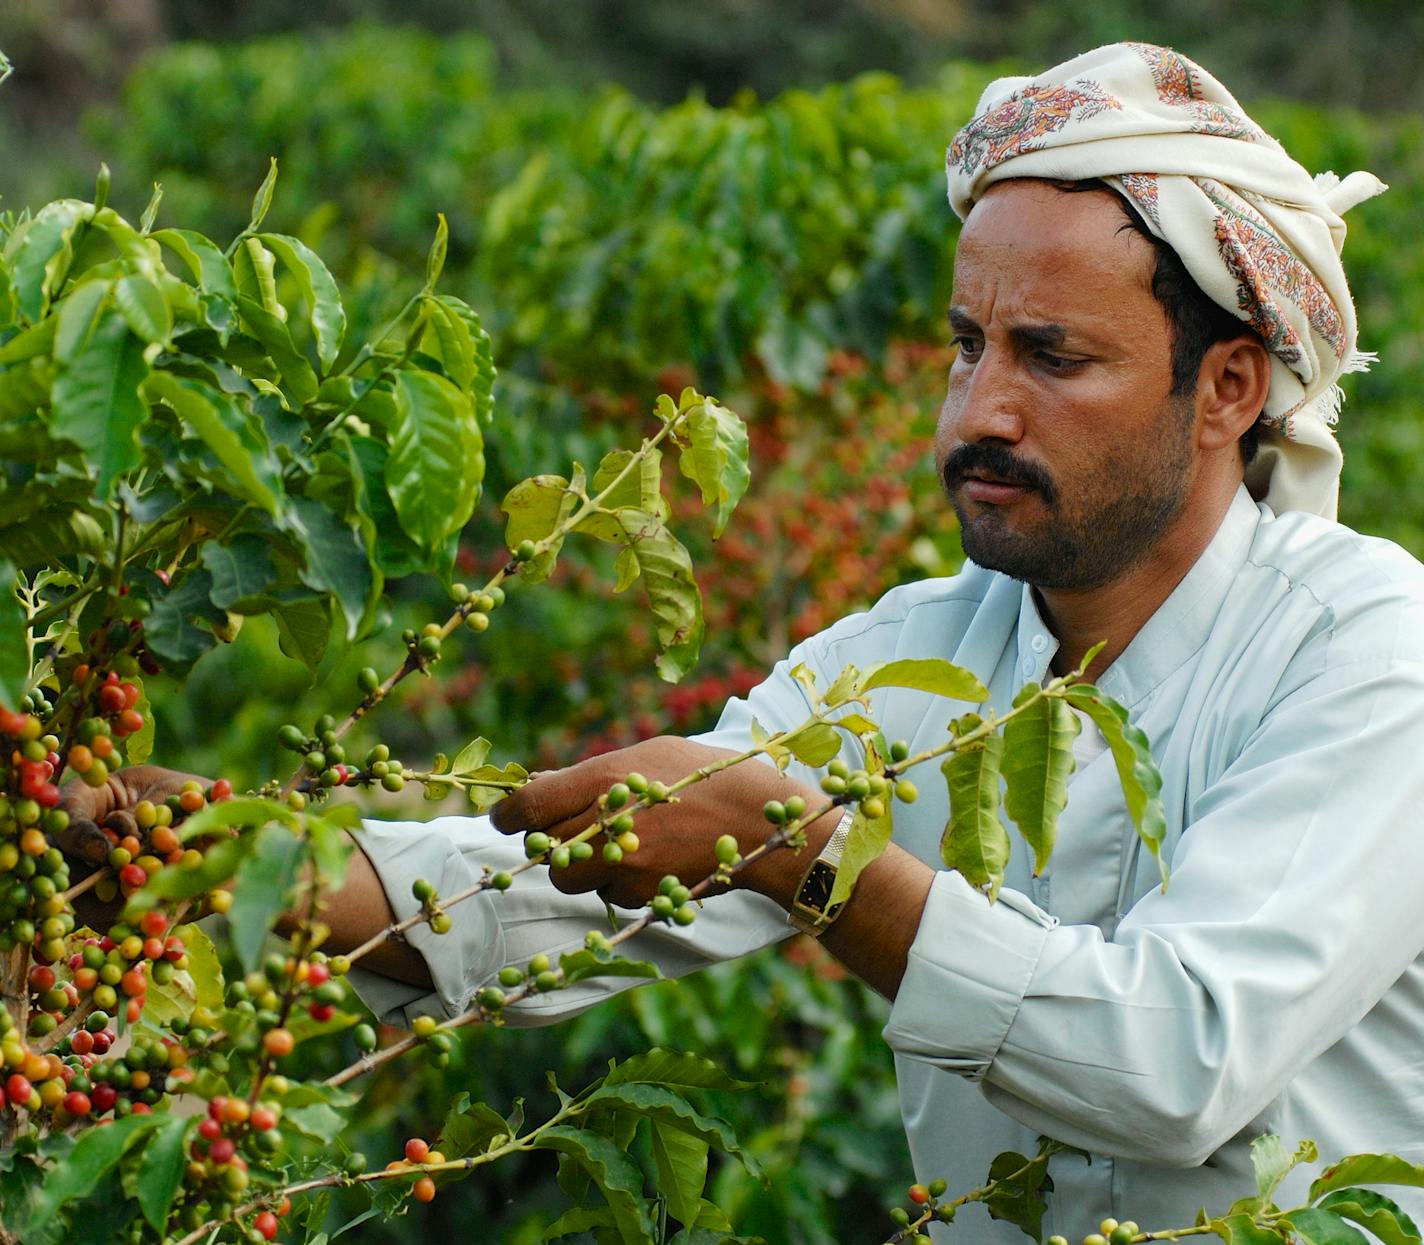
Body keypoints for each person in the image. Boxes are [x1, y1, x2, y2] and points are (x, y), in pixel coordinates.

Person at [64, 44, 1424, 1239]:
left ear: (1229, 388)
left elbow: (1177, 1059)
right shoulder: (918, 656)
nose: (975, 416)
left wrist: (817, 856)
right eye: (967, 346)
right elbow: (566, 887)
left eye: (1053, 358)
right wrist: (230, 855)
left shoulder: (1367, 651)